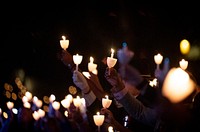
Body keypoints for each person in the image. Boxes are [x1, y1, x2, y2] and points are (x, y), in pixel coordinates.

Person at [104, 66, 199, 132]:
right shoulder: (165, 111)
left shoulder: (188, 120)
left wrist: (139, 83)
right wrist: (119, 85)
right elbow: (140, 112)